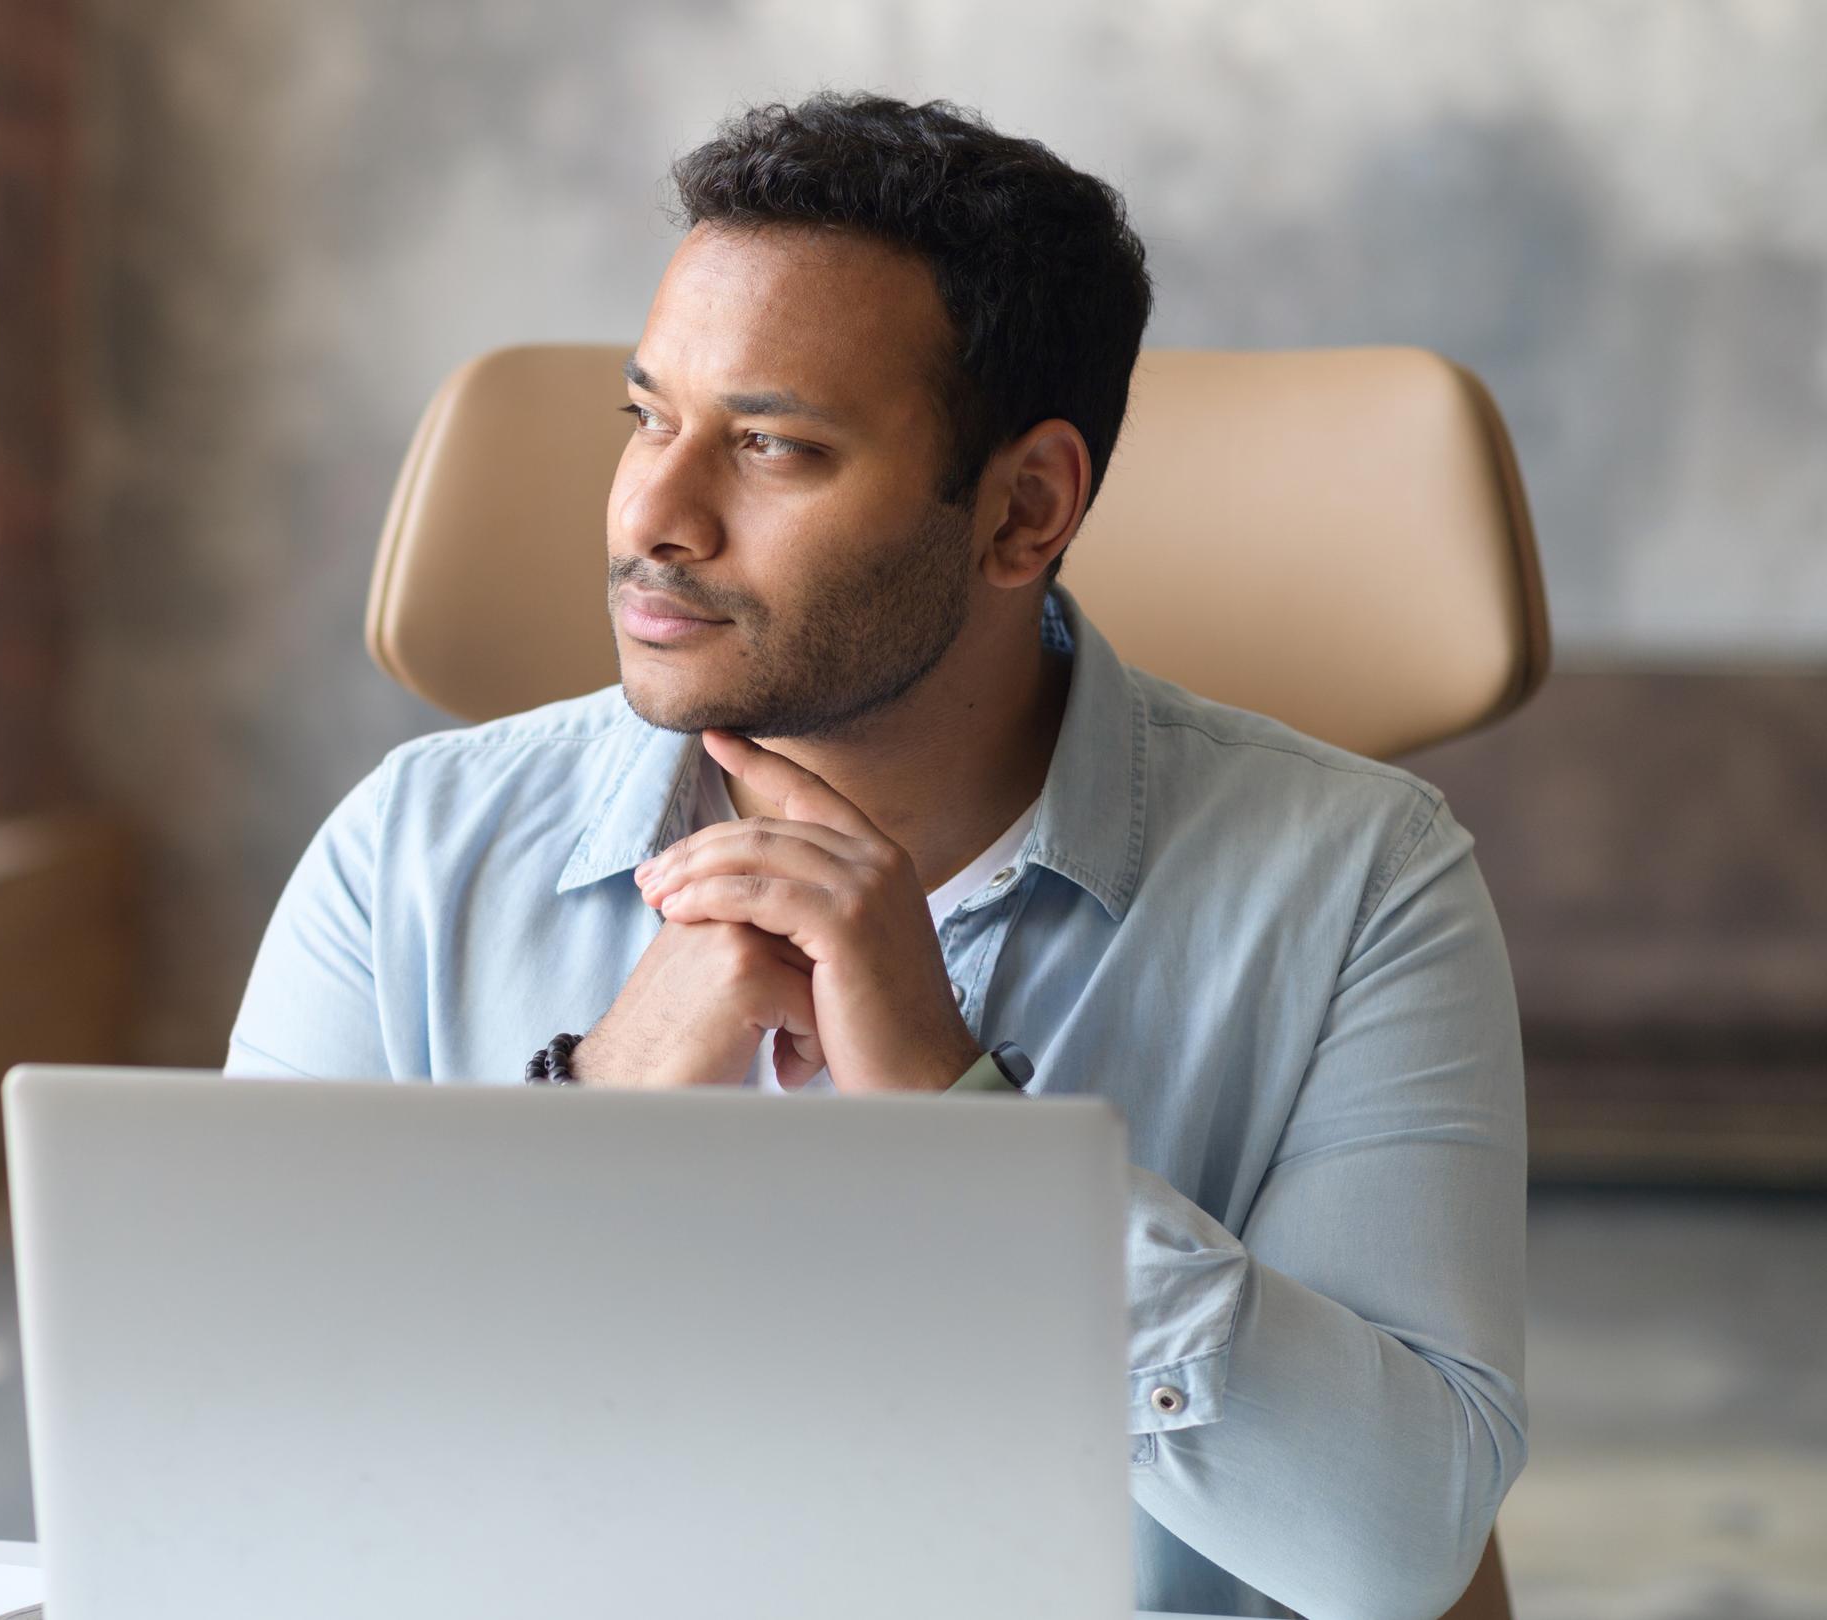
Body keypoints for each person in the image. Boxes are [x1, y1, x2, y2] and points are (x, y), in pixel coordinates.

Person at [225, 92, 1525, 1619]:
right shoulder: (409, 854)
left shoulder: (1365, 888)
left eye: (772, 446)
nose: (655, 513)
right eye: (647, 417)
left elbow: (1390, 1554)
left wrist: (973, 1140)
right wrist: (602, 1116)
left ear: (1022, 509)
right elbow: (239, 1492)